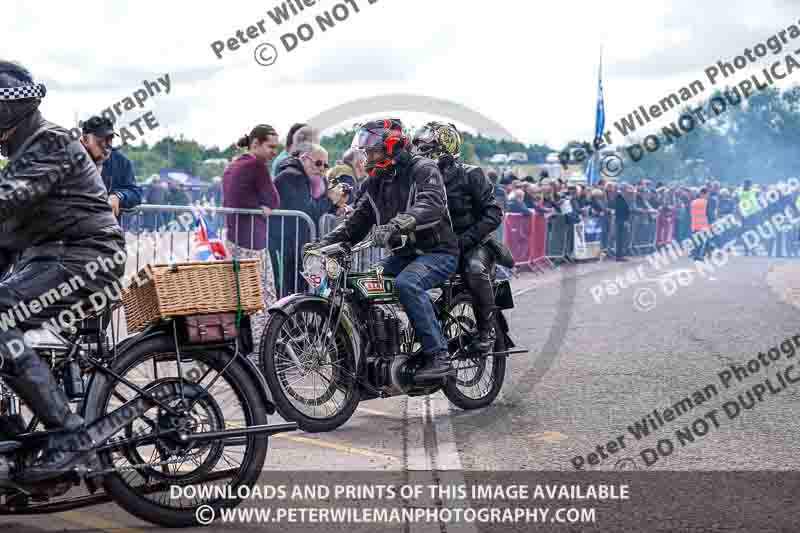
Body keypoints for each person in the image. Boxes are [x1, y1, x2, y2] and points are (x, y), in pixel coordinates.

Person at [0, 60, 126, 482]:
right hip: (52, 258)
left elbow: (6, 202)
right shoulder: (26, 151)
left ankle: (69, 435)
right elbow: (8, 233)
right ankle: (12, 437)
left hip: (85, 257)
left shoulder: (49, 143)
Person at [308, 119, 459, 381]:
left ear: (391, 147)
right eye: (365, 152)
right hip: (404, 255)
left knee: (407, 284)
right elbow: (356, 223)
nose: (367, 157)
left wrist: (400, 223)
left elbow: (431, 204)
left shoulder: (423, 169)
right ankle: (378, 352)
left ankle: (439, 356)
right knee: (363, 286)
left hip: (437, 252)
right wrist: (323, 244)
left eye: (372, 151)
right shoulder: (375, 183)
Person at [411, 122, 504, 353]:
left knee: (474, 269)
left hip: (473, 244)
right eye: (419, 148)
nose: (420, 153)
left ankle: (487, 329)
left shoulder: (471, 174)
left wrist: (467, 239)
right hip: (438, 246)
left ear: (444, 146)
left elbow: (493, 213)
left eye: (425, 148)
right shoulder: (420, 178)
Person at [223, 124, 282, 346]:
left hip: (234, 240)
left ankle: (242, 346)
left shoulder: (232, 165)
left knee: (240, 297)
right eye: (270, 146)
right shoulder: (257, 165)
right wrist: (263, 207)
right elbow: (274, 199)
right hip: (253, 242)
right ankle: (266, 347)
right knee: (263, 298)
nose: (274, 152)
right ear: (255, 143)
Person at [271, 142, 348, 296]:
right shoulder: (292, 176)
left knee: (303, 292)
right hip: (286, 245)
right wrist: (330, 200)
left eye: (325, 165)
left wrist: (335, 207)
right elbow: (307, 210)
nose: (321, 169)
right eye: (318, 163)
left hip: (298, 245)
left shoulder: (306, 177)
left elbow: (311, 204)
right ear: (304, 158)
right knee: (288, 294)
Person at [80, 116, 142, 217]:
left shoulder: (121, 162)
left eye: (109, 140)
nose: (106, 147)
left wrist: (118, 196)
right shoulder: (71, 159)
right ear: (85, 140)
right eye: (100, 142)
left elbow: (136, 193)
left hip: (106, 228)